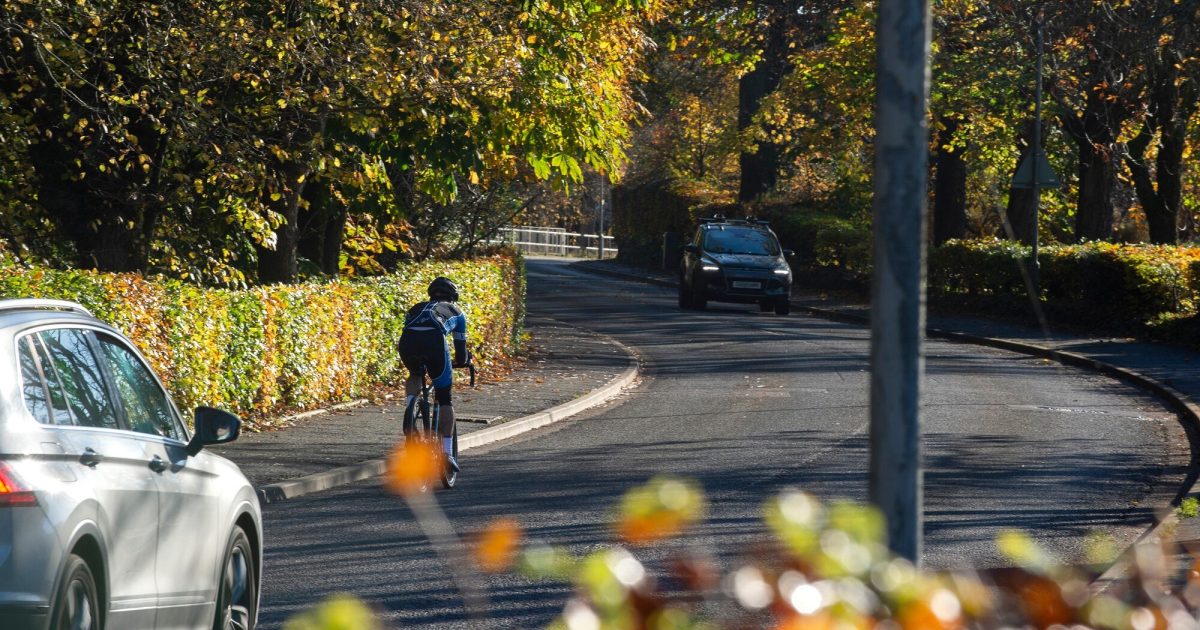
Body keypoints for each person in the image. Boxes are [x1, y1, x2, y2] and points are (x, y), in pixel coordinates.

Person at [398, 276, 470, 472]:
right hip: (434, 343)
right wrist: (463, 362)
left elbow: (410, 328)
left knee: (414, 373)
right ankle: (447, 453)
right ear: (453, 297)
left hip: (407, 342)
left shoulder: (416, 307)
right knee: (444, 397)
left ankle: (410, 409)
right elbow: (461, 353)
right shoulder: (456, 311)